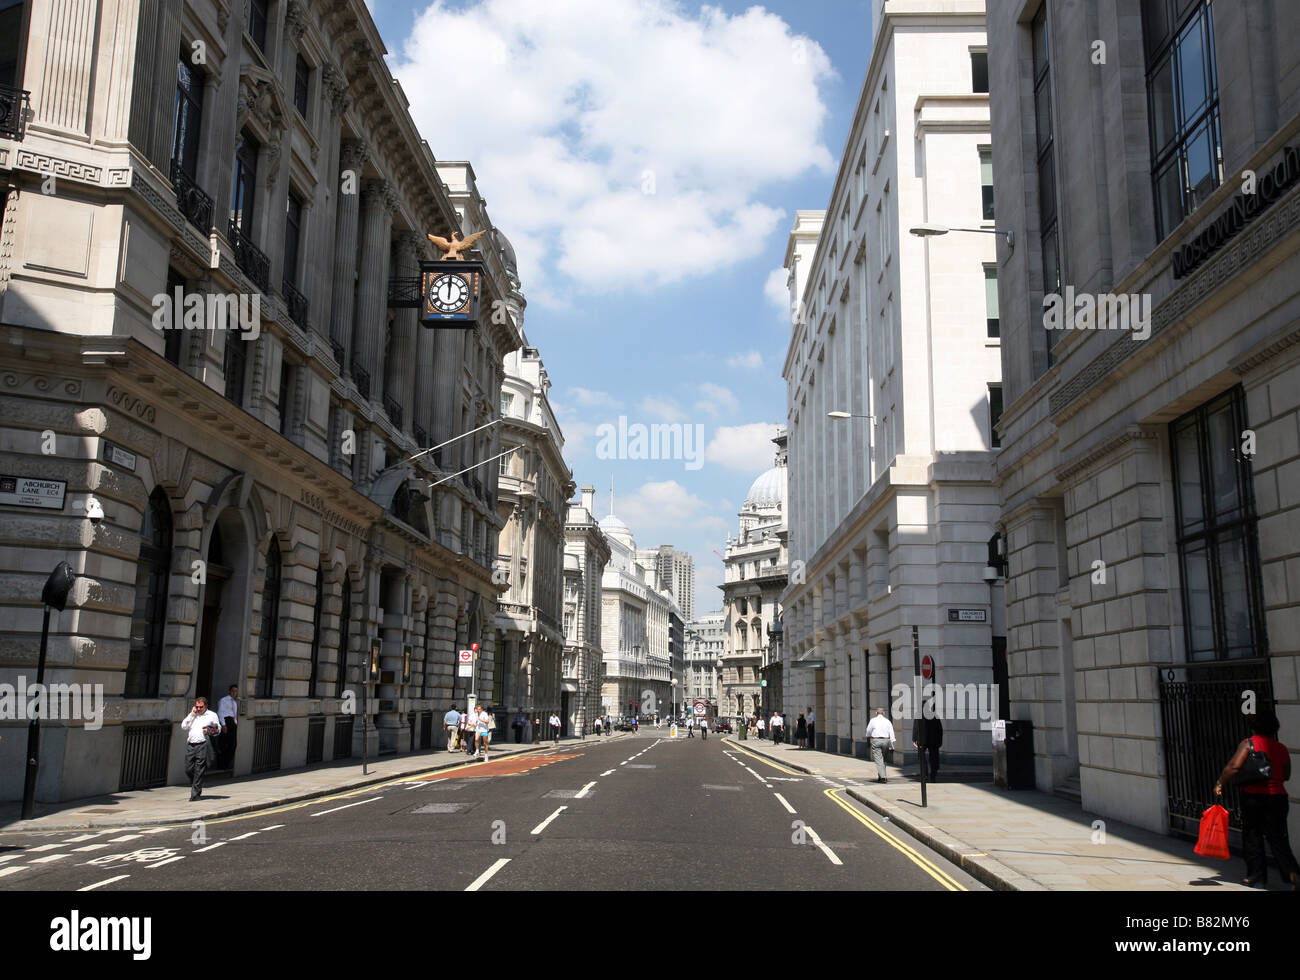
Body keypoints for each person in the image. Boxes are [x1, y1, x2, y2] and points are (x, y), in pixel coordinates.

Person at [1215, 710, 1300, 889]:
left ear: (1254, 727)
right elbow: (1286, 775)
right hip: (1278, 797)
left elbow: (1233, 766)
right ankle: (1293, 874)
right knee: (1278, 837)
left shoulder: (1249, 744)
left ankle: (1256, 877)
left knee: (1253, 834)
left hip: (1254, 796)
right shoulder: (1281, 748)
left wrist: (1220, 782)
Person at [180, 696, 221, 801]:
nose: (198, 709)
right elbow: (183, 726)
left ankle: (195, 795)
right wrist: (191, 715)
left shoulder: (212, 715)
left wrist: (210, 730)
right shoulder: (193, 715)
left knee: (199, 769)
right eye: (197, 707)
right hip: (191, 744)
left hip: (203, 744)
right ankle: (197, 783)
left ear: (206, 706)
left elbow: (218, 729)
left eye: (200, 707)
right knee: (188, 769)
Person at [865, 708, 897, 782]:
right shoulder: (887, 721)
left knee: (879, 759)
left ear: (876, 713)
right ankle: (881, 775)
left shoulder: (873, 720)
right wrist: (892, 742)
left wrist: (868, 735)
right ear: (884, 714)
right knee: (883, 759)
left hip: (876, 740)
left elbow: (868, 730)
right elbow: (891, 732)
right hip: (886, 741)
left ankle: (883, 777)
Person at [912, 710, 943, 780]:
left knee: (921, 757)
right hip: (933, 740)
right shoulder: (934, 714)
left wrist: (914, 739)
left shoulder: (919, 715)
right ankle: (933, 775)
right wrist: (940, 741)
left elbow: (916, 727)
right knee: (933, 758)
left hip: (922, 739)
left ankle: (925, 775)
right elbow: (939, 729)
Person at [216, 684, 239, 769]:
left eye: (236, 691)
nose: (234, 693)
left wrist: (235, 722)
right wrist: (223, 724)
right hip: (226, 721)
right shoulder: (224, 700)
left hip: (232, 722)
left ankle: (226, 763)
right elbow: (220, 712)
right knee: (224, 743)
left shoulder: (234, 702)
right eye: (233, 691)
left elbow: (234, 714)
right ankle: (221, 764)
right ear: (229, 691)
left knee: (232, 744)